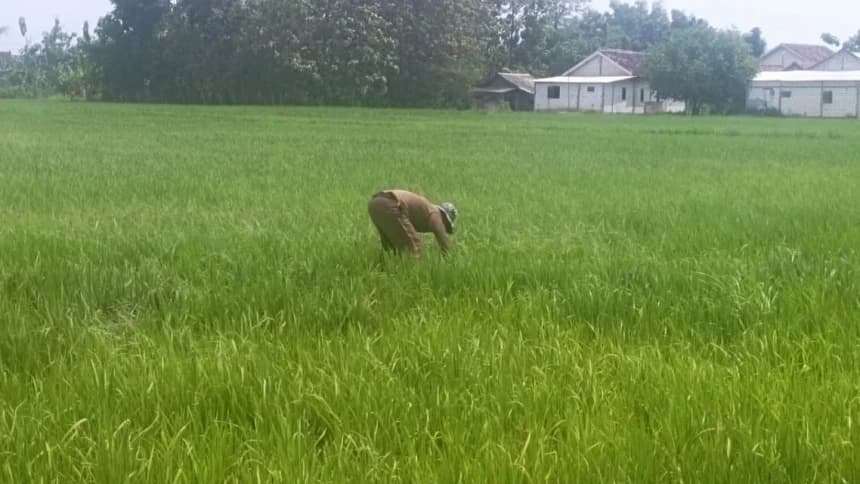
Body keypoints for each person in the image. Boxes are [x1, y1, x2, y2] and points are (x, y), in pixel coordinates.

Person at [368, 189, 458, 257]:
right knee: (414, 247)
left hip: (375, 202)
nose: (444, 227)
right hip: (392, 203)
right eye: (445, 225)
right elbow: (440, 233)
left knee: (390, 247)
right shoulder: (435, 212)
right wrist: (447, 255)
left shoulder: (426, 209)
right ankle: (413, 271)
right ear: (444, 217)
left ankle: (384, 268)